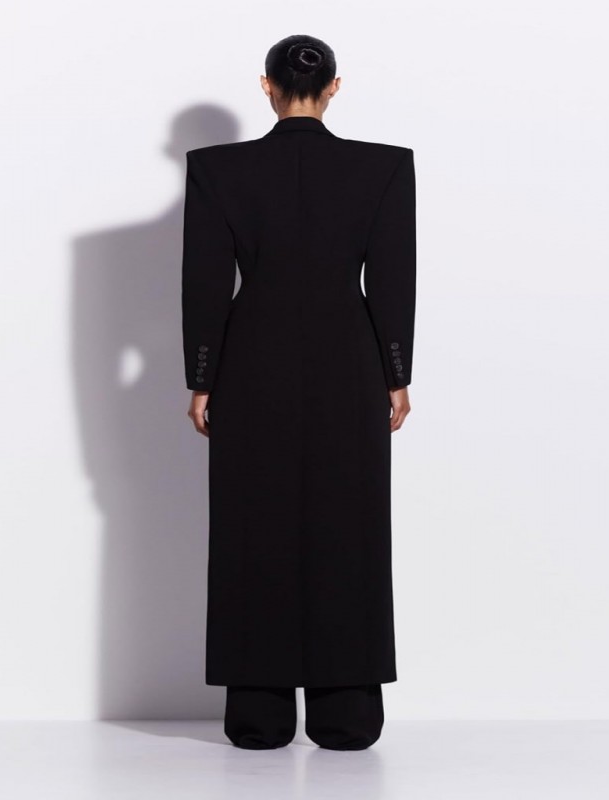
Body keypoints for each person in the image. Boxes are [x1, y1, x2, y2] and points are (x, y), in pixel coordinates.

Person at [181, 34, 416, 750]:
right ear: (335, 87)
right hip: (351, 362)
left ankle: (260, 715)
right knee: (351, 527)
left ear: (267, 85)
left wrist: (201, 379)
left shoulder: (217, 169)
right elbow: (393, 280)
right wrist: (397, 373)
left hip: (251, 362)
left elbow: (205, 284)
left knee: (254, 526)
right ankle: (348, 715)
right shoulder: (383, 167)